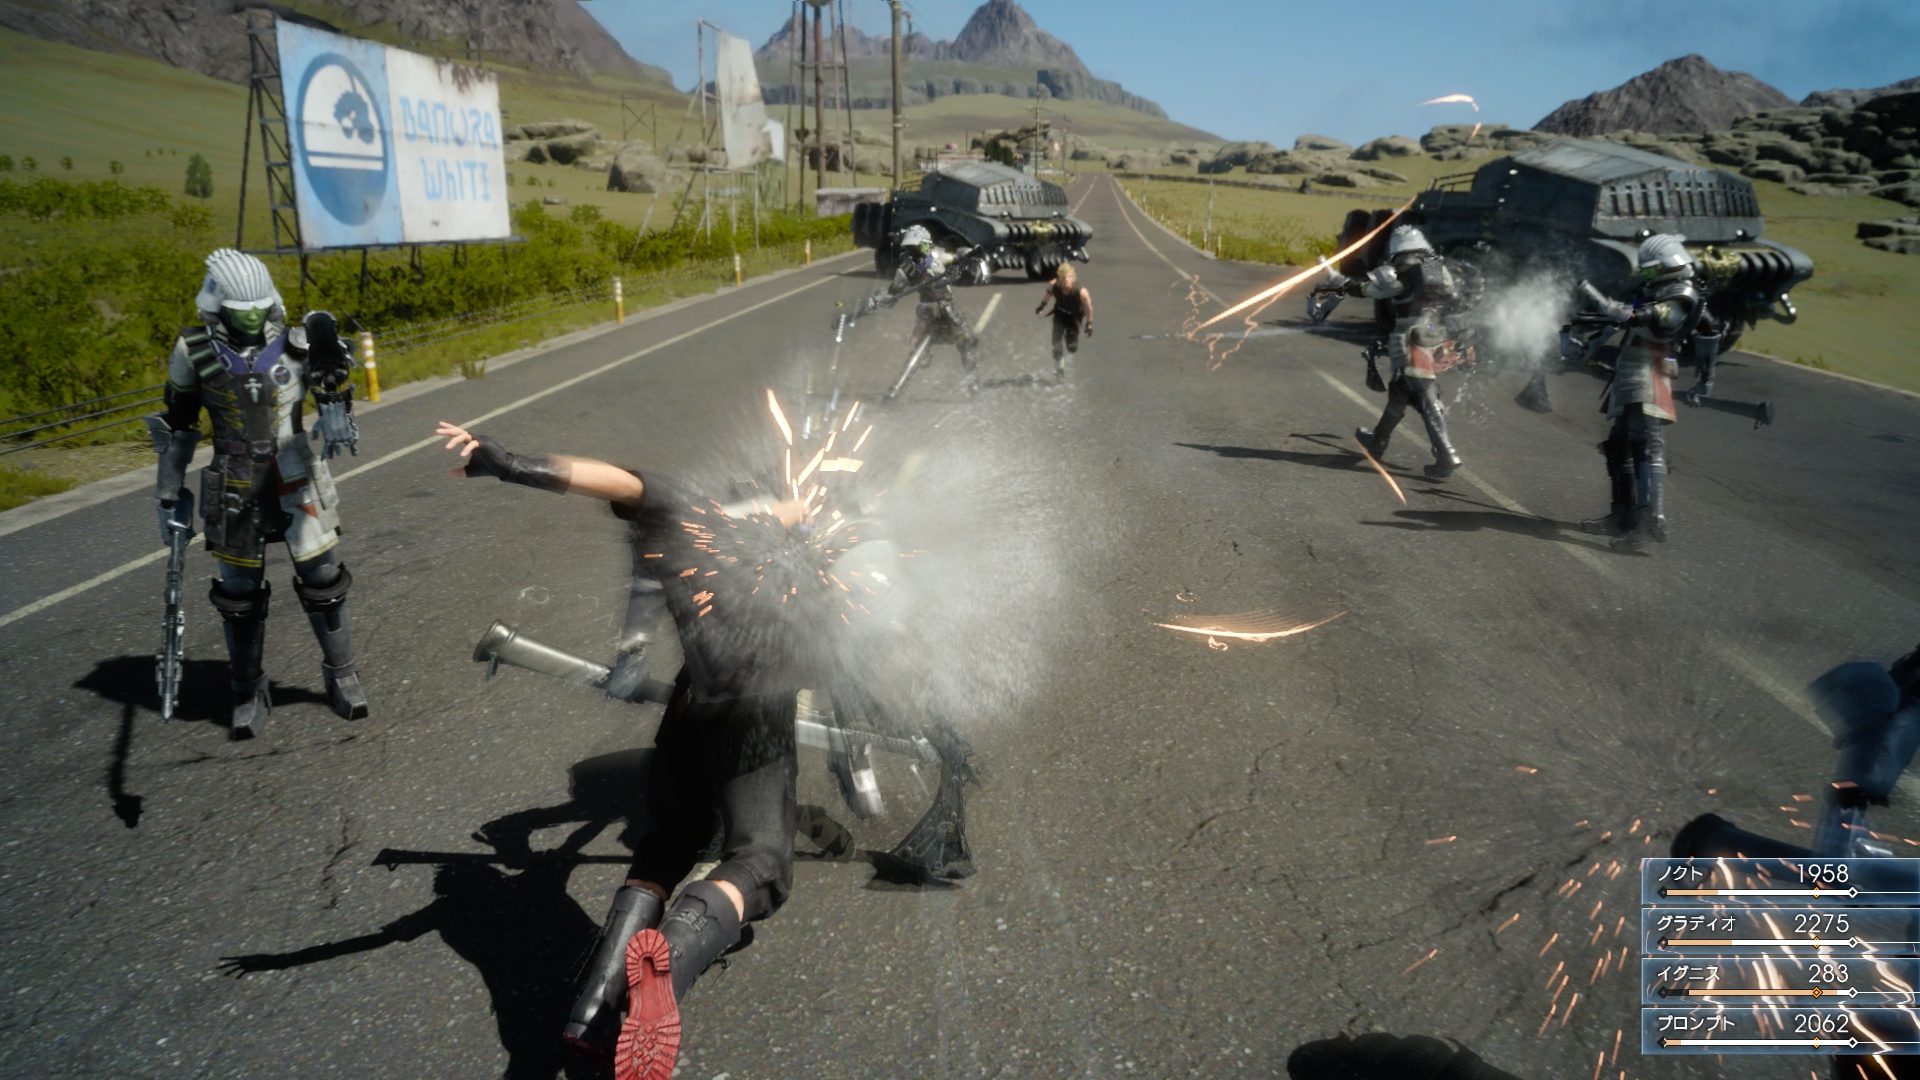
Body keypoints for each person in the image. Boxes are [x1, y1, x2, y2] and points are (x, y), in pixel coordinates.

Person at [434, 421, 818, 1080]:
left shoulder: (690, 513)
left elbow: (615, 479)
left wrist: (510, 463)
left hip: (691, 705)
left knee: (668, 842)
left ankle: (592, 1010)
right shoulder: (796, 540)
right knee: (761, 864)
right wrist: (804, 512)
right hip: (754, 710)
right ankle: (665, 964)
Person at [146, 249, 367, 737]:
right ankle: (247, 689)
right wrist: (168, 493)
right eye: (239, 309)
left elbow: (333, 383)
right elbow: (179, 426)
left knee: (324, 581)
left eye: (257, 307)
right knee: (239, 596)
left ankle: (343, 675)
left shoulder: (299, 342)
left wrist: (335, 384)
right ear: (217, 303)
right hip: (234, 477)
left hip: (295, 470)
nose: (249, 316)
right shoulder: (193, 349)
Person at [1574, 233, 1706, 551]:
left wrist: (1593, 295)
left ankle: (1650, 519)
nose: (1647, 273)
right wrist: (1588, 346)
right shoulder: (1655, 290)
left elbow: (1648, 317)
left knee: (1646, 445)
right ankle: (1622, 515)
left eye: (1652, 268)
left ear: (1669, 263)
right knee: (1619, 446)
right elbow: (1624, 320)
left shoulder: (1681, 293)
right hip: (1632, 369)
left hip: (1651, 371)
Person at [1332, 226, 1464, 479]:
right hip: (1435, 336)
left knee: (1424, 395)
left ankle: (1447, 454)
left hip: (1410, 339)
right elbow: (1452, 299)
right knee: (1400, 392)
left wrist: (1345, 285)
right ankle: (1377, 442)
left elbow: (1373, 290)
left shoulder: (1402, 271)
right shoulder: (1437, 268)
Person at [873, 225, 980, 402]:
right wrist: (881, 300)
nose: (914, 251)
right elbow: (892, 295)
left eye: (915, 247)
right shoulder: (908, 268)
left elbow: (957, 258)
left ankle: (972, 383)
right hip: (936, 310)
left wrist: (966, 257)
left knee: (964, 344)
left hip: (940, 310)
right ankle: (896, 390)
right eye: (911, 248)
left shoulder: (932, 259)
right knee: (935, 349)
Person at [1034, 262, 1093, 378]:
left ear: (1073, 277)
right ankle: (1059, 369)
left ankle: (1071, 341)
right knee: (1056, 341)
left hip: (1073, 317)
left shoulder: (1081, 292)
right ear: (1060, 277)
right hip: (1060, 314)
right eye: (1064, 277)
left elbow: (1088, 307)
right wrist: (1041, 306)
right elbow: (1048, 294)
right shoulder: (1054, 285)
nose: (1067, 280)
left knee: (1072, 347)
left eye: (1069, 276)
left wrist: (1089, 323)